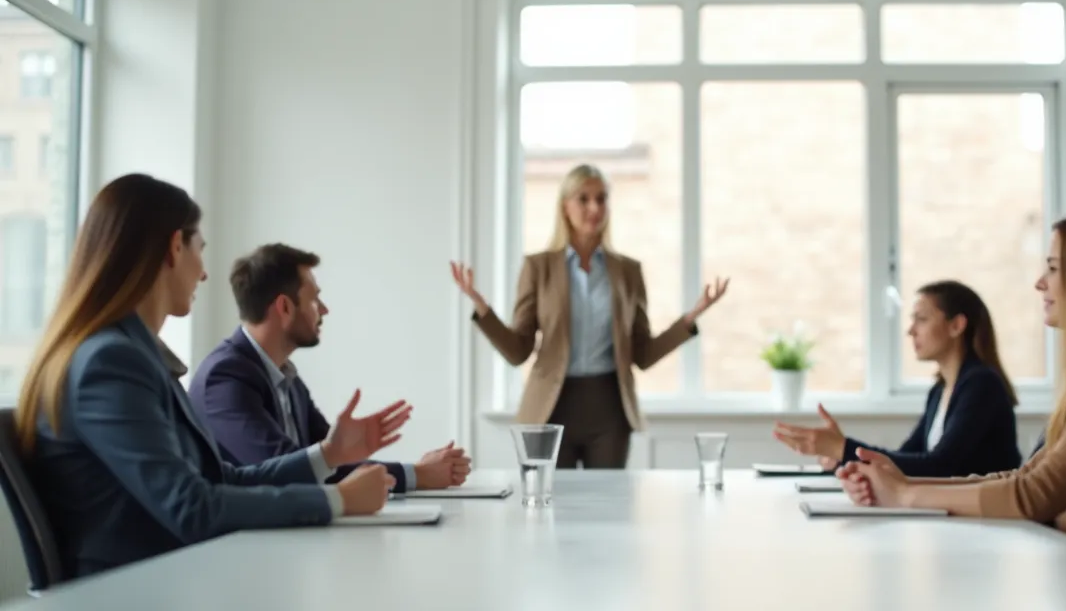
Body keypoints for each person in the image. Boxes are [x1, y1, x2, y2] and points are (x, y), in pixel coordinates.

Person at [15, 174, 407, 579]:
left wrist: (327, 456)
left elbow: (220, 477)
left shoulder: (132, 356)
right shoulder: (111, 363)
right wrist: (336, 501)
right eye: (200, 249)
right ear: (174, 247)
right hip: (139, 590)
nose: (203, 274)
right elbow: (192, 507)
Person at [839, 209, 1066, 561]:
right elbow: (1026, 477)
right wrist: (904, 486)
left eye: (1054, 268)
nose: (1040, 282)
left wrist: (904, 495)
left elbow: (1034, 496)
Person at [451, 163, 728, 469]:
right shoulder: (538, 268)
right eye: (583, 198)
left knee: (607, 509)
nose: (594, 207)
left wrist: (691, 317)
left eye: (602, 198)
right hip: (551, 409)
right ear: (565, 206)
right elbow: (518, 351)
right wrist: (482, 308)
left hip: (609, 408)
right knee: (550, 508)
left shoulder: (627, 272)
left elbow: (643, 354)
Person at [189, 243, 472, 492]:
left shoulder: (286, 376)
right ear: (285, 307)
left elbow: (329, 459)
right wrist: (417, 474)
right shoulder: (225, 377)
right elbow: (285, 468)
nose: (324, 310)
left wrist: (414, 470)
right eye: (314, 298)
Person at [773, 280, 1021, 478]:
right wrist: (841, 457)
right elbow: (905, 459)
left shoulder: (981, 385)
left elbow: (941, 466)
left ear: (956, 325)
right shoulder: (940, 390)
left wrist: (843, 448)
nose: (910, 330)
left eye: (921, 319)